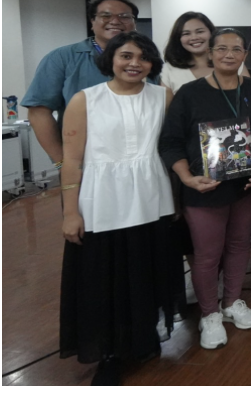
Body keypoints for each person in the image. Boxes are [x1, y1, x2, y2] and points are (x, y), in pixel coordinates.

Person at [57, 31, 174, 385]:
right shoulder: (85, 100)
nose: (134, 63)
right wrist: (70, 212)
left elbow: (171, 148)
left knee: (145, 270)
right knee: (103, 278)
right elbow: (72, 161)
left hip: (152, 197)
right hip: (101, 201)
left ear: (152, 62)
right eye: (126, 56)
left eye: (143, 57)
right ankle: (107, 352)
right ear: (110, 59)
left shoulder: (163, 96)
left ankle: (142, 338)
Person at [158, 28, 251, 350]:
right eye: (222, 49)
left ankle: (232, 302)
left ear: (245, 55)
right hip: (203, 189)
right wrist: (187, 178)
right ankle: (209, 314)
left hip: (245, 186)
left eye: (236, 49)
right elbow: (170, 142)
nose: (229, 55)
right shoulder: (190, 94)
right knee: (207, 255)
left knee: (238, 246)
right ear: (210, 53)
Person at [23, 0, 152, 173]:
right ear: (92, 22)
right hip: (86, 164)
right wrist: (63, 163)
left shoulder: (148, 60)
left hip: (143, 161)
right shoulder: (62, 58)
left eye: (124, 16)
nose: (115, 21)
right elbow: (38, 112)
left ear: (134, 23)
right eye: (105, 16)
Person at [161, 12, 250, 93]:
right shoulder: (170, 69)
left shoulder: (232, 63)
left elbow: (249, 97)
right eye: (186, 34)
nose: (194, 37)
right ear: (178, 39)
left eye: (200, 31)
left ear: (211, 33)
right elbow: (167, 109)